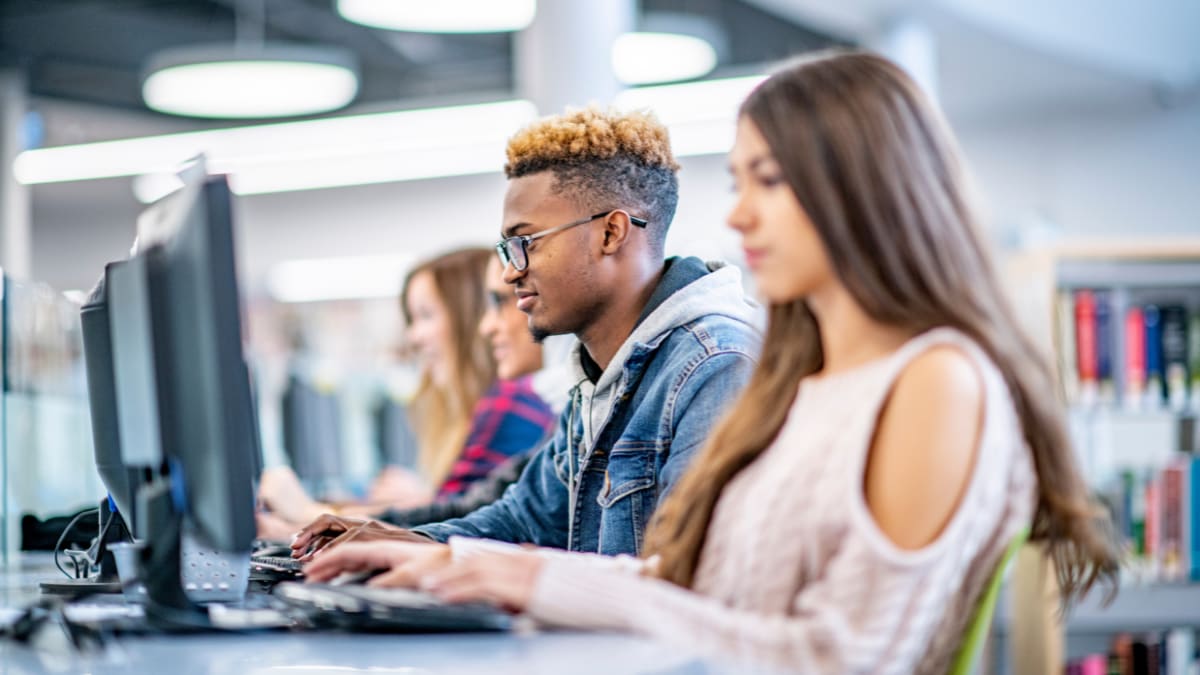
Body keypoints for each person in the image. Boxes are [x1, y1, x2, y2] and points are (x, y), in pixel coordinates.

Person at [304, 51, 1120, 673]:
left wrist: (523, 581)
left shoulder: (935, 381)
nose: (737, 214)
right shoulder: (806, 381)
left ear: (863, 189)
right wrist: (467, 566)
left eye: (769, 181)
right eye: (738, 181)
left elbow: (840, 657)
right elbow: (694, 590)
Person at [291, 106, 761, 559]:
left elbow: (684, 579)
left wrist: (478, 567)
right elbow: (522, 519)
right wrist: (395, 540)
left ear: (611, 233)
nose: (512, 272)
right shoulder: (599, 377)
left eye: (525, 243)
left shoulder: (714, 365)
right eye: (506, 249)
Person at [259, 247, 552, 530]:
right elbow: (461, 509)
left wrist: (312, 517)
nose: (414, 336)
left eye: (426, 316)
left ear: (467, 317)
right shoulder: (497, 403)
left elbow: (463, 522)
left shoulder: (510, 401)